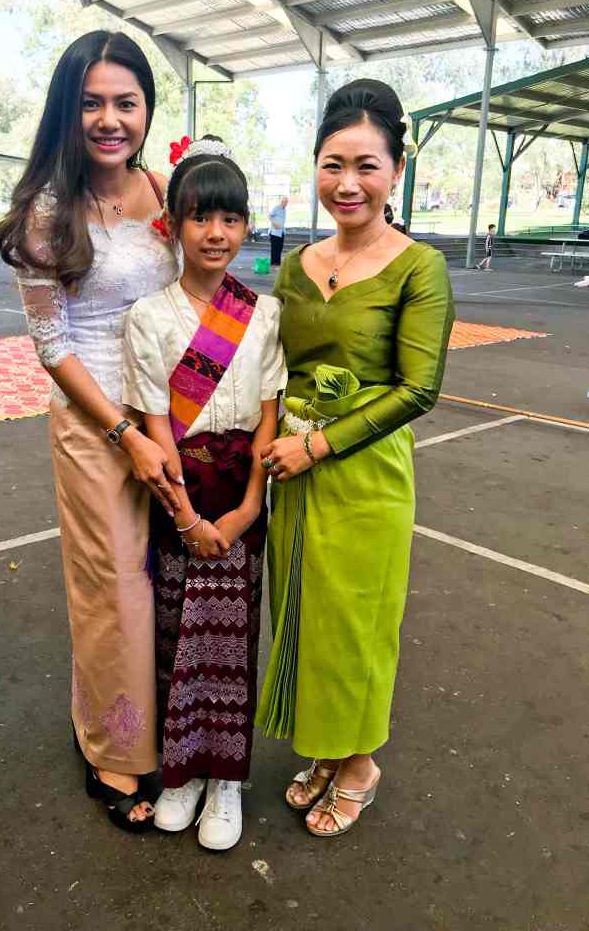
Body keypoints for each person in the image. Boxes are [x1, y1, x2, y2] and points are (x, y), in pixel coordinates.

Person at [256, 79, 455, 839]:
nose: (348, 183)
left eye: (367, 166)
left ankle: (361, 764)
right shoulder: (298, 265)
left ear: (396, 171)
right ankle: (329, 749)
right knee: (303, 614)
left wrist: (318, 444)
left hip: (364, 473)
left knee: (356, 623)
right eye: (333, 165)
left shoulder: (419, 268)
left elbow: (419, 389)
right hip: (291, 468)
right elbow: (261, 358)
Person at [0, 30, 183, 832]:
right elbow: (53, 346)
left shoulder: (167, 191)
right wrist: (123, 435)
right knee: (115, 589)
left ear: (147, 109)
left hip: (173, 414)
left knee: (175, 579)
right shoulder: (47, 211)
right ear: (65, 113)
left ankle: (172, 726)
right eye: (92, 103)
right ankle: (112, 746)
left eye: (126, 103)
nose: (111, 120)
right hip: (94, 422)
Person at [122, 136, 286, 850]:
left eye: (230, 218)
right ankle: (184, 770)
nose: (216, 233)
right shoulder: (148, 317)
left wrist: (249, 508)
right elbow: (154, 426)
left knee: (233, 643)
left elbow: (270, 413)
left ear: (245, 224)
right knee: (176, 638)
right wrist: (187, 518)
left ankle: (227, 780)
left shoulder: (264, 314)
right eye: (200, 217)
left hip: (241, 494)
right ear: (174, 225)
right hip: (179, 496)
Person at [269, 195, 288, 267]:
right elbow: (269, 216)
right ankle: (273, 262)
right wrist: (274, 224)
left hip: (281, 231)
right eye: (285, 202)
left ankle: (278, 262)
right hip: (274, 231)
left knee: (280, 247)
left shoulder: (284, 210)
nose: (286, 204)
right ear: (282, 202)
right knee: (274, 247)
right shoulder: (276, 208)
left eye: (287, 202)